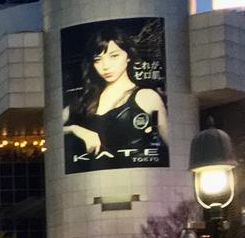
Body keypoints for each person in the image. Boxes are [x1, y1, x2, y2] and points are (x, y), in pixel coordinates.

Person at [63, 28, 167, 167]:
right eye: (98, 59)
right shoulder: (85, 99)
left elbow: (171, 146)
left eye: (114, 56)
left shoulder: (146, 97)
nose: (106, 66)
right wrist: (75, 129)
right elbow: (53, 130)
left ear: (128, 55)